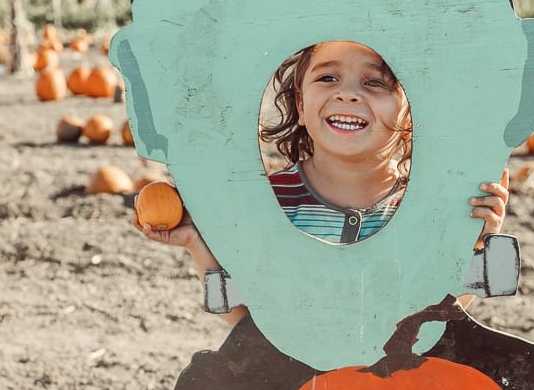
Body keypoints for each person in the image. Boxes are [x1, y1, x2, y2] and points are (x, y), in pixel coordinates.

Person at [134, 40, 509, 325]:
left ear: (412, 109)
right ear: (299, 103)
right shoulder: (270, 200)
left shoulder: (429, 208)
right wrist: (198, 245)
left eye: (374, 82)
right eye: (327, 78)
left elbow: (438, 319)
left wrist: (474, 239)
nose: (347, 93)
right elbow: (244, 322)